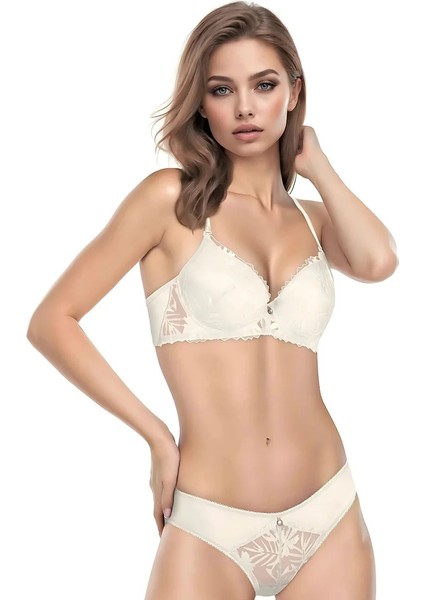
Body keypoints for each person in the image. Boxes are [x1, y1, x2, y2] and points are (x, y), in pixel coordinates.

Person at [27, 1, 398, 598]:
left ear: (294, 92)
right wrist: (156, 436)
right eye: (222, 89)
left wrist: (319, 165)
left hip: (329, 509)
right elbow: (51, 322)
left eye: (265, 85)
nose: (245, 107)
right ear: (200, 102)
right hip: (208, 519)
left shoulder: (314, 222)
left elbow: (380, 262)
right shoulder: (170, 202)